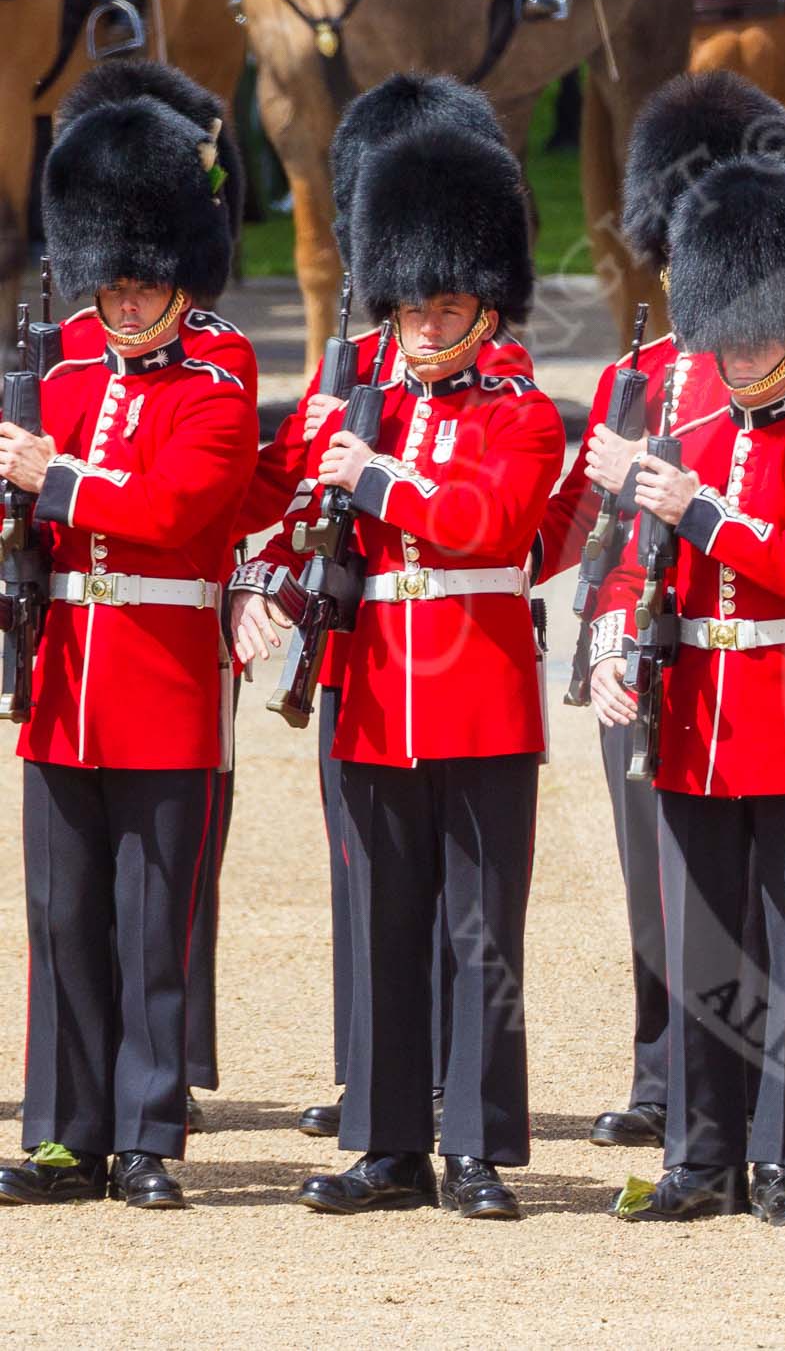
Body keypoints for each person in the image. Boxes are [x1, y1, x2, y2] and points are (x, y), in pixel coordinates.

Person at [234, 121, 559, 1220]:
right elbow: (275, 505)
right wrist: (266, 570)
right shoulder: (360, 401)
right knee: (379, 922)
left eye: (446, 306)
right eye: (412, 305)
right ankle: (385, 1147)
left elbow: (497, 524)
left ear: (486, 307)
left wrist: (375, 477)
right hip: (369, 692)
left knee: (477, 929)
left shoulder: (520, 415)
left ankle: (474, 1146)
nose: (426, 324)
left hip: (479, 693)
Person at [539, 70, 785, 1153]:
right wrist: (606, 627)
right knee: (649, 877)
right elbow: (588, 534)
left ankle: (741, 1079)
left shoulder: (779, 384)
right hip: (638, 658)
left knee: (742, 892)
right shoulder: (641, 374)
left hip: (732, 658)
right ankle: (663, 1073)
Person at [592, 151, 785, 1228]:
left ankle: (784, 1160)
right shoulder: (686, 435)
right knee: (700, 946)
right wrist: (618, 642)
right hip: (692, 719)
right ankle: (699, 1156)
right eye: (731, 326)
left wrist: (700, 508)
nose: (743, 349)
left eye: (762, 328)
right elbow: (630, 568)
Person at [0, 83, 257, 1208]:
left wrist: (48, 478)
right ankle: (65, 1133)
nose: (124, 293)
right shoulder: (55, 372)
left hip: (161, 680)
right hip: (63, 683)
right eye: (108, 274)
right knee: (60, 920)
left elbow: (170, 510)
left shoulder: (221, 376)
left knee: (152, 923)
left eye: (142, 275)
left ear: (178, 269)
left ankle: (147, 1134)